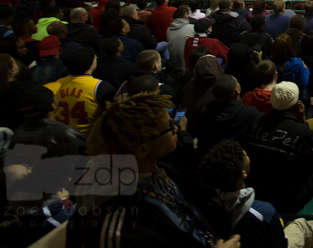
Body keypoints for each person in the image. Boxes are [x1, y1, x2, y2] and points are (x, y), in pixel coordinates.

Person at [66, 93, 241, 248]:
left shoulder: (154, 168)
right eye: (168, 126)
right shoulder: (115, 229)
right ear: (142, 149)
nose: (176, 127)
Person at [197, 140, 313, 248]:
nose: (245, 153)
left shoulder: (203, 209)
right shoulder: (264, 213)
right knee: (303, 226)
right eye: (243, 155)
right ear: (243, 173)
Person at [246, 81, 313, 213]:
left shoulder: (258, 121)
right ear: (296, 105)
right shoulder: (301, 131)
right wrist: (303, 120)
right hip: (290, 197)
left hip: (261, 190)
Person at [45, 45, 115, 134]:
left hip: (58, 138)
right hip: (88, 142)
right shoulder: (100, 87)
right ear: (90, 64)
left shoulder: (54, 85)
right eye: (94, 57)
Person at [195, 74, 262, 156]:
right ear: (237, 91)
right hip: (240, 162)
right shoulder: (251, 114)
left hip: (212, 161)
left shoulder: (205, 113)